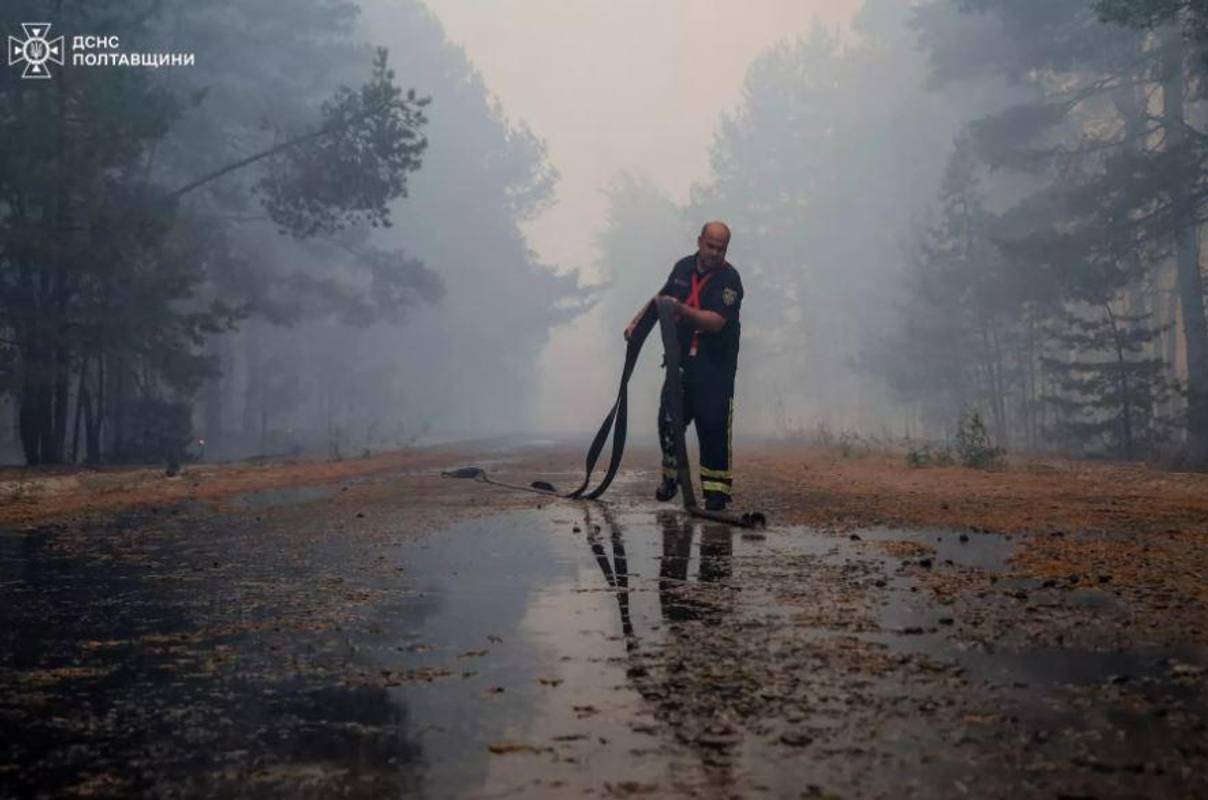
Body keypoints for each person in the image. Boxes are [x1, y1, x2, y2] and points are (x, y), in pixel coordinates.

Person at [624, 221, 743, 511]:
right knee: (668, 422)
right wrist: (636, 325)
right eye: (710, 245)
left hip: (714, 369)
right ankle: (671, 479)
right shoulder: (682, 268)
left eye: (721, 248)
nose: (714, 253)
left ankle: (715, 495)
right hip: (680, 366)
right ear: (700, 241)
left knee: (713, 428)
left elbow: (715, 321)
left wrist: (680, 310)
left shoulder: (729, 280)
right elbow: (660, 300)